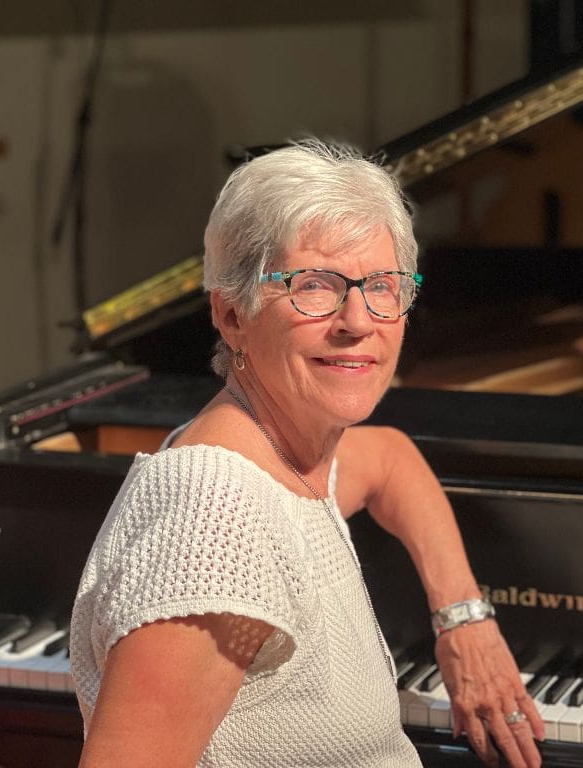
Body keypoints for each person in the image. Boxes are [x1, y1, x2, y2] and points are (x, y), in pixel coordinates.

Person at [70, 139, 544, 767]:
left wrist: (464, 619)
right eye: (314, 286)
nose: (357, 319)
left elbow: (391, 459)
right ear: (232, 314)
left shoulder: (287, 453)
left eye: (383, 286)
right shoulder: (214, 516)